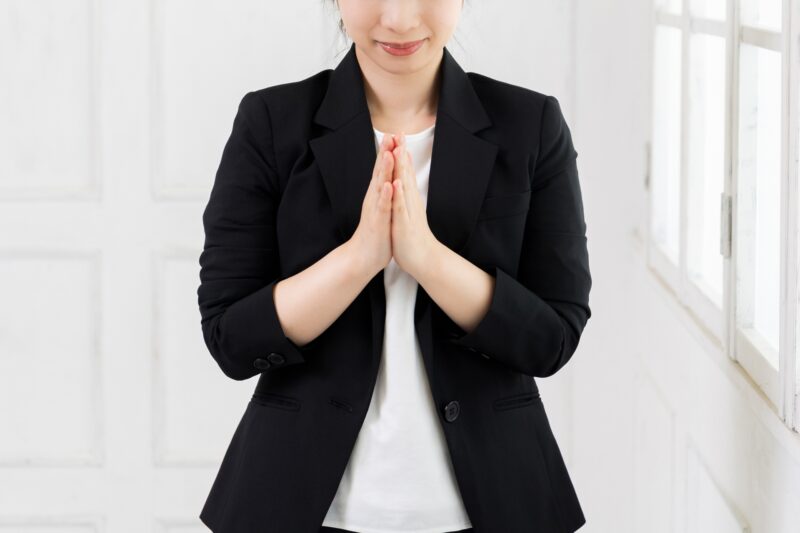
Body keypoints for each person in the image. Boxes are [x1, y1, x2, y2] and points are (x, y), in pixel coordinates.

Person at [197, 1, 592, 532]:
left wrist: (426, 258)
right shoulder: (270, 122)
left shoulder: (531, 125)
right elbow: (231, 337)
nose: (400, 19)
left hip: (496, 503)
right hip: (302, 504)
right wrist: (359, 258)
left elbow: (553, 338)